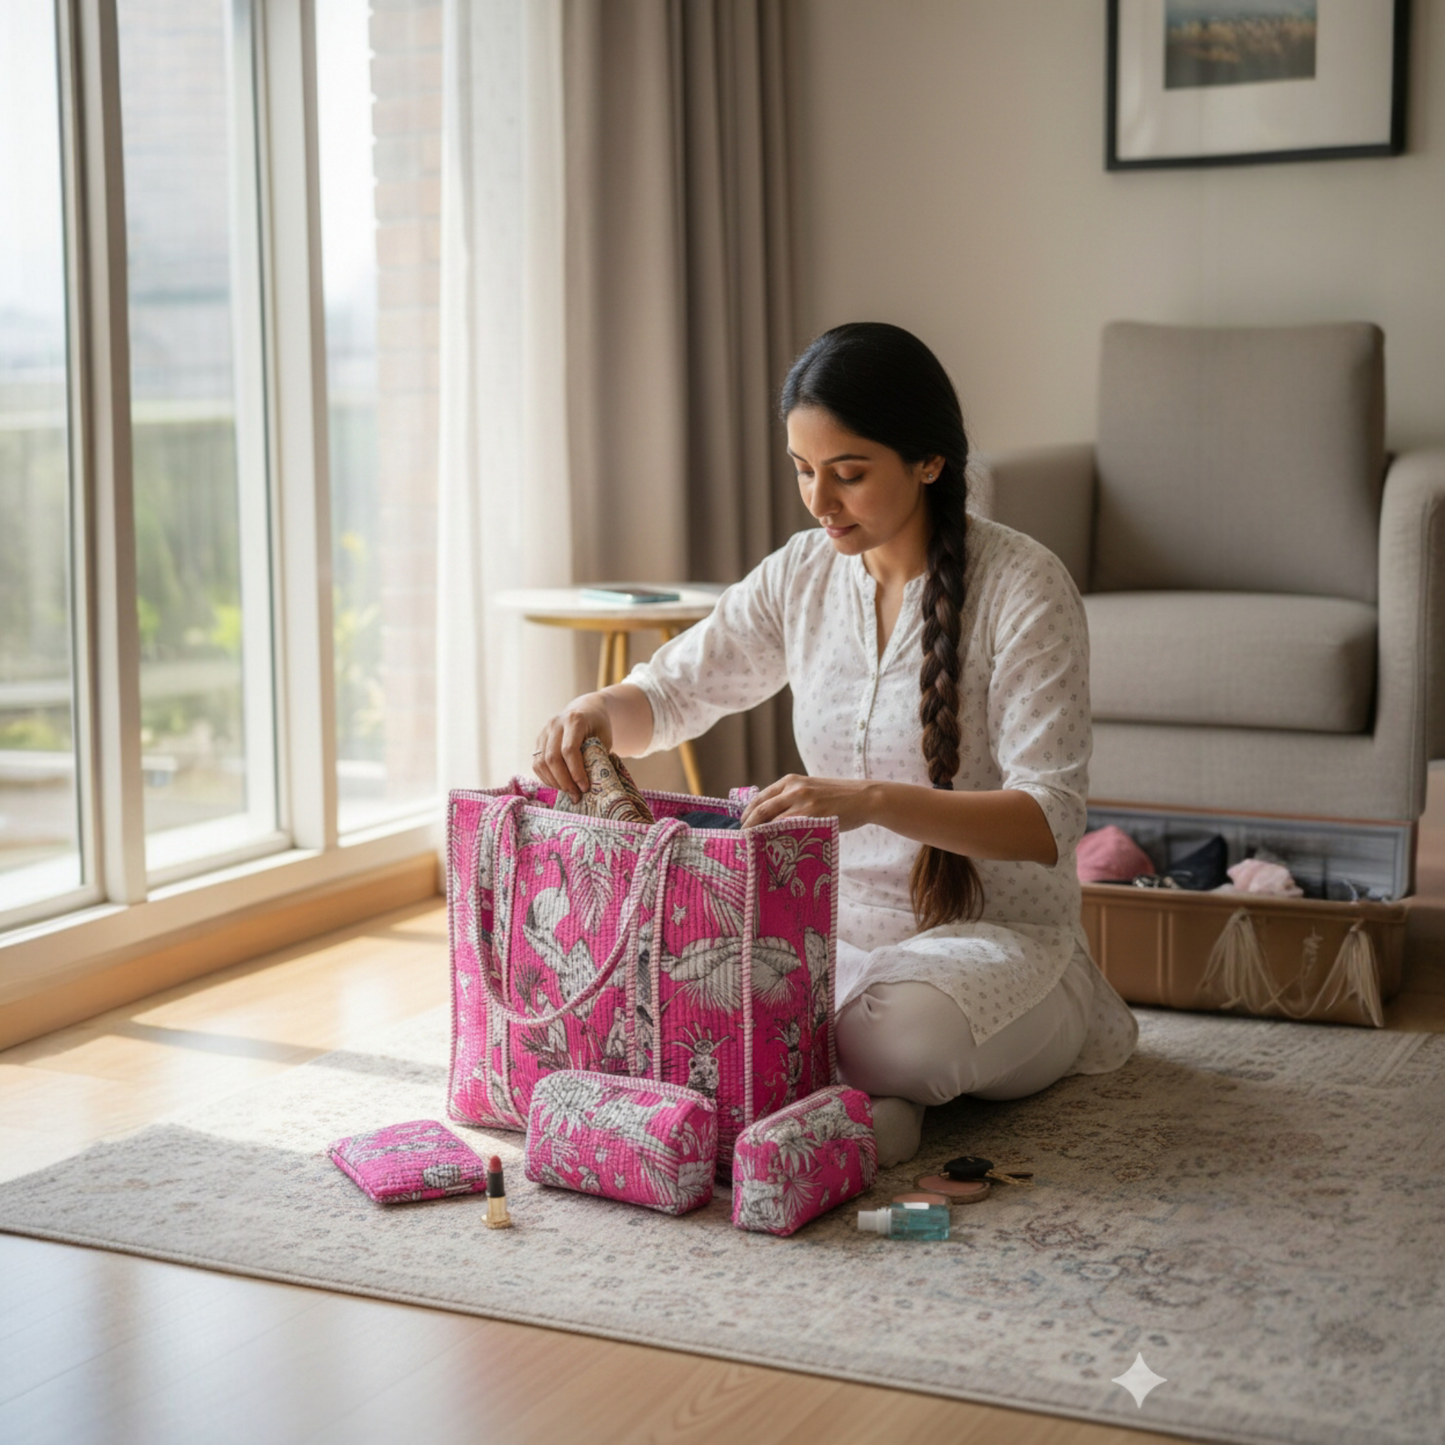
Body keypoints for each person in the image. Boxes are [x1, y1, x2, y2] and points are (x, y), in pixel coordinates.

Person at [532, 321, 1138, 1166]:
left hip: (998, 946)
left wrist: (870, 801)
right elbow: (673, 691)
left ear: (928, 460)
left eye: (847, 473)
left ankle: (831, 1085)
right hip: (828, 939)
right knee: (677, 982)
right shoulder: (802, 572)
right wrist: (595, 709)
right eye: (803, 470)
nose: (820, 502)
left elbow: (1047, 823)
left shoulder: (1024, 586)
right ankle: (851, 1109)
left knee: (900, 1040)